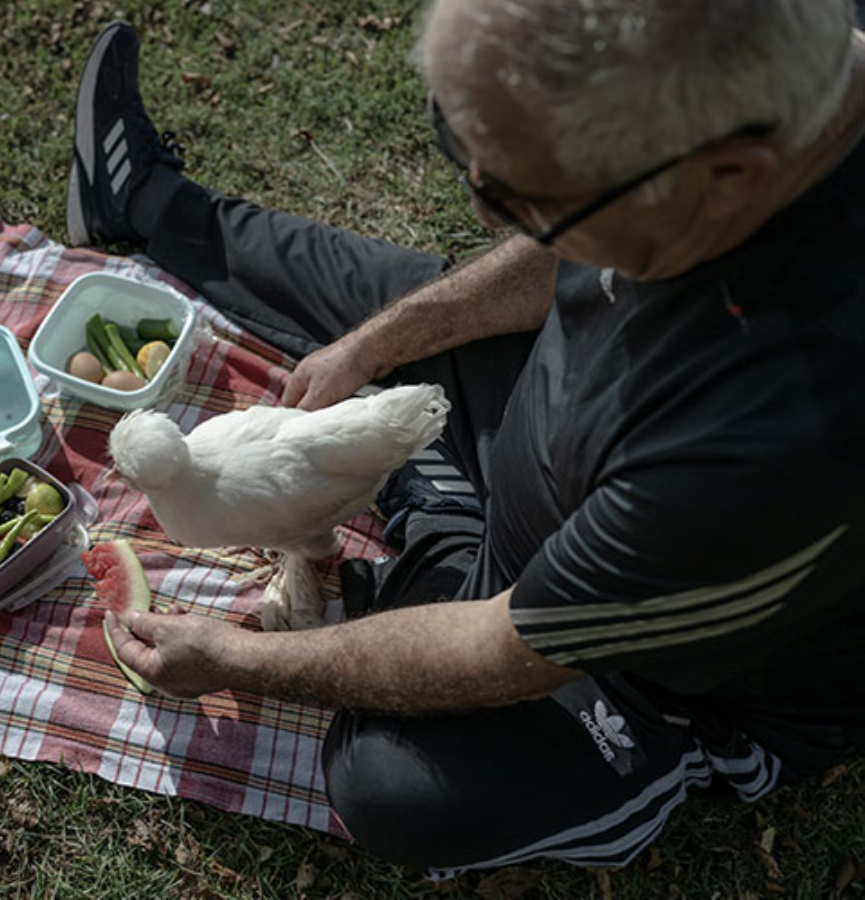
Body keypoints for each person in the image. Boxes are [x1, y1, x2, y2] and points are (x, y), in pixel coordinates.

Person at [67, 2, 865, 876]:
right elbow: (555, 258)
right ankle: (141, 199)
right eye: (458, 144)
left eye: (514, 194)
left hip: (624, 662)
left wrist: (242, 659)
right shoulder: (754, 103)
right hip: (560, 419)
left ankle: (433, 515)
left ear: (728, 177)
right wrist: (376, 344)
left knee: (393, 789)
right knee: (383, 320)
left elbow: (505, 654)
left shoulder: (780, 440)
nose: (485, 209)